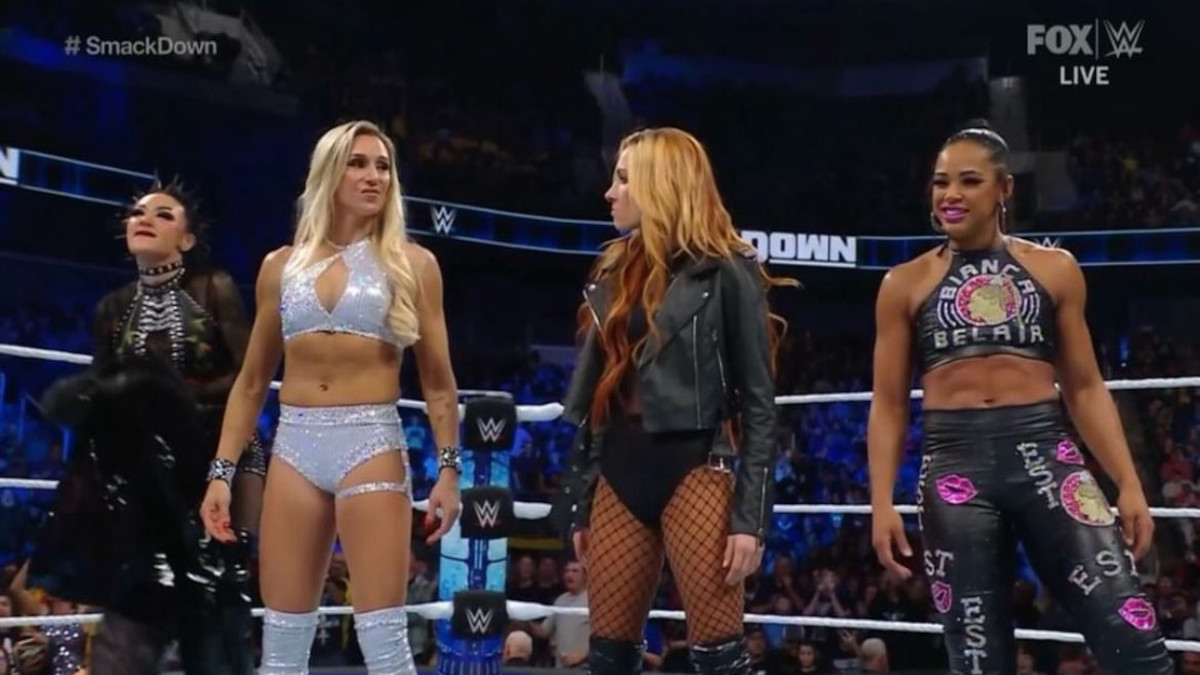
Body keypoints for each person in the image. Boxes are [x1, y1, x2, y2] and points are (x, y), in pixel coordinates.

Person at [867, 120, 1173, 673]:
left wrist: (1128, 482)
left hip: (1046, 454)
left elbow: (1083, 386)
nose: (950, 195)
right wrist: (881, 501)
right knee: (978, 656)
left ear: (1003, 188)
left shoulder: (1056, 270)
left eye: (969, 181)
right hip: (954, 464)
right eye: (940, 182)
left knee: (1131, 634)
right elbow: (888, 404)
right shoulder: (903, 284)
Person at [199, 119, 462, 674]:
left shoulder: (413, 265)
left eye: (383, 166)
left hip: (370, 441)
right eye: (358, 163)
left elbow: (438, 383)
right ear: (328, 173)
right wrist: (221, 473)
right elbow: (251, 383)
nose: (374, 177)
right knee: (281, 645)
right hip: (295, 445)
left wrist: (448, 469)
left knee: (385, 644)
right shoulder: (281, 266)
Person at [552, 127, 795, 675]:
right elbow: (600, 396)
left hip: (695, 464)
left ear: (659, 185)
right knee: (608, 658)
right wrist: (583, 498)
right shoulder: (613, 271)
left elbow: (760, 405)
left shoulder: (726, 269)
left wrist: (750, 520)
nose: (609, 192)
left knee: (719, 657)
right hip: (619, 464)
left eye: (622, 179)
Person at [29, 178, 264, 674]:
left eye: (163, 214)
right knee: (137, 595)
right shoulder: (113, 308)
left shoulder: (213, 288)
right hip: (145, 472)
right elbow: (104, 393)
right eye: (137, 212)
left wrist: (168, 396)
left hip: (220, 452)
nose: (145, 219)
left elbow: (249, 377)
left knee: (220, 596)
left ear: (187, 239)